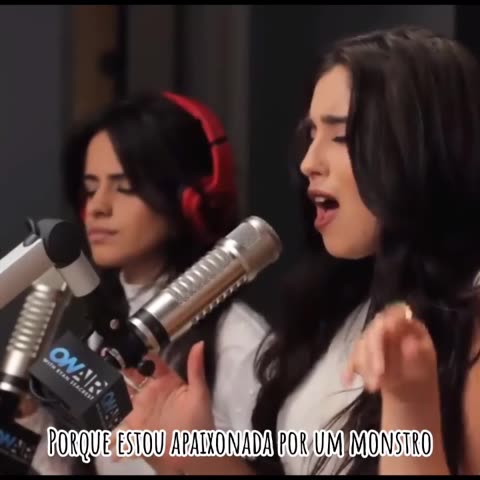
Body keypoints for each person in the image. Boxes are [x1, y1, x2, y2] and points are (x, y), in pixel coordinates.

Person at [112, 25, 480, 476]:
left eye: (340, 137)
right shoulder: (346, 303)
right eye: (311, 134)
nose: (309, 163)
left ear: (421, 150)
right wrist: (199, 456)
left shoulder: (469, 328)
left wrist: (408, 402)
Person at [15, 90, 263, 475]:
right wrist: (28, 416)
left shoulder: (240, 343)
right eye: (90, 188)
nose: (97, 207)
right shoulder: (103, 333)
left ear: (190, 200)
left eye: (125, 187)